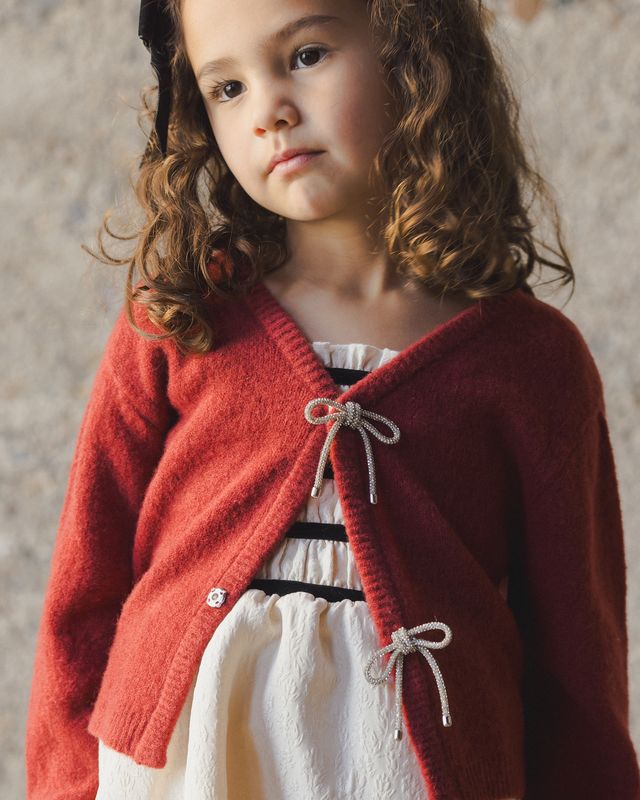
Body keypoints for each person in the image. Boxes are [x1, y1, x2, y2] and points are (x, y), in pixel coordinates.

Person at [25, 0, 640, 798]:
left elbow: (578, 660)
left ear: (413, 50)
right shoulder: (181, 320)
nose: (270, 111)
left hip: (408, 771)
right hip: (184, 766)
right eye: (227, 88)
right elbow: (84, 591)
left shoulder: (533, 362)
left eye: (307, 55)